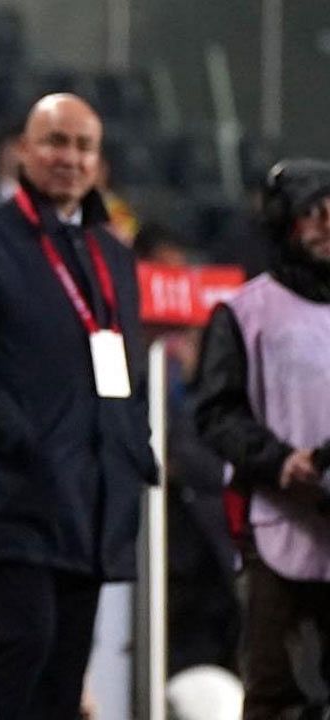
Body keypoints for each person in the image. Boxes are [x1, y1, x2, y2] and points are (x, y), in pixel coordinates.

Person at [0, 93, 157, 720]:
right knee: (21, 646)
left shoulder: (113, 252)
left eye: (85, 146)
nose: (70, 158)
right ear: (24, 151)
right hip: (14, 494)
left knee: (65, 671)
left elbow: (129, 369)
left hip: (94, 497)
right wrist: (26, 447)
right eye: (56, 142)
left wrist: (132, 448)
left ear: (99, 162)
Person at [195, 158, 330, 720]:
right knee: (276, 691)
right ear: (283, 222)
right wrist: (280, 463)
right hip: (277, 525)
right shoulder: (244, 312)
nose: (327, 225)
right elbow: (216, 413)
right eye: (313, 213)